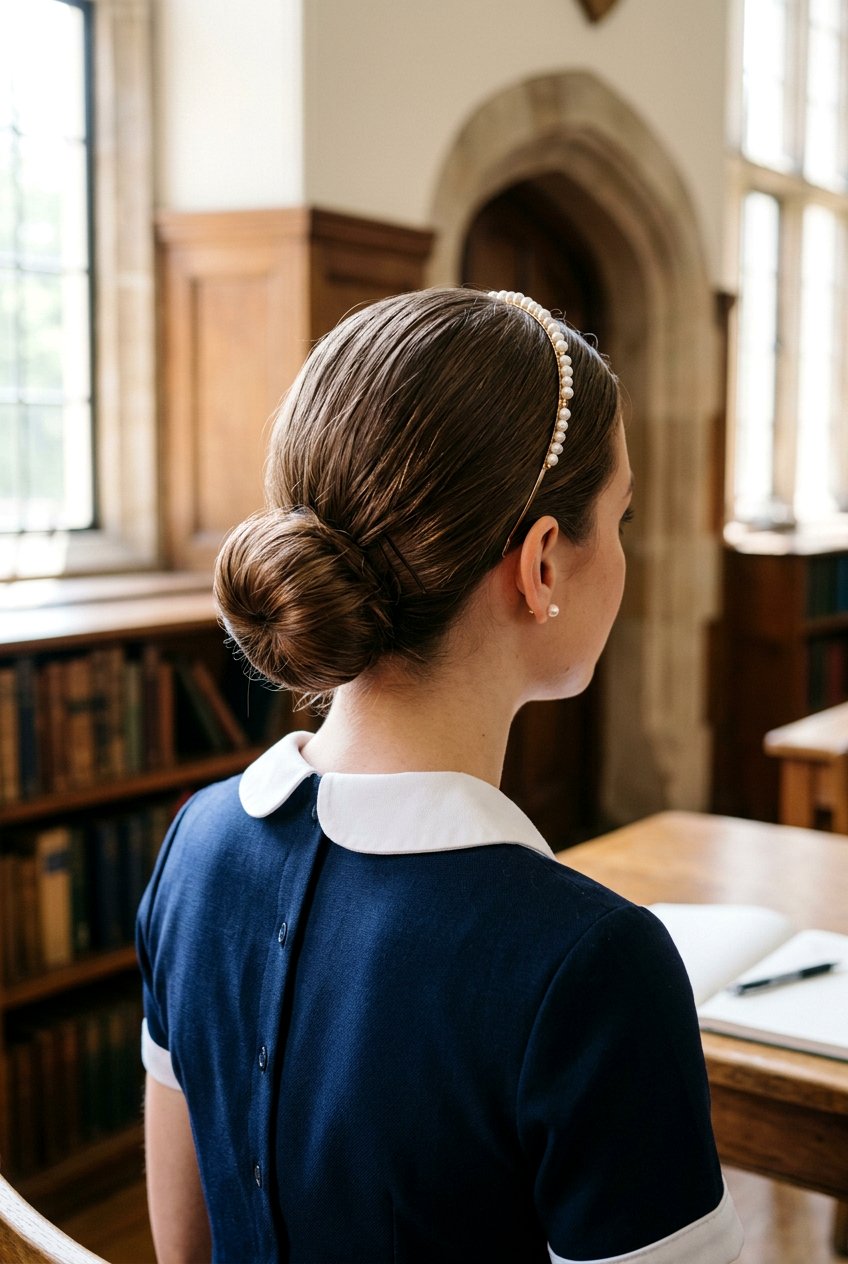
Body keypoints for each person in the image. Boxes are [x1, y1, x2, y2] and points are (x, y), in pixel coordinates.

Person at [137, 287, 744, 1264]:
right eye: (620, 517)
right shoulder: (592, 965)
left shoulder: (195, 844)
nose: (624, 552)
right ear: (541, 564)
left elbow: (184, 1249)